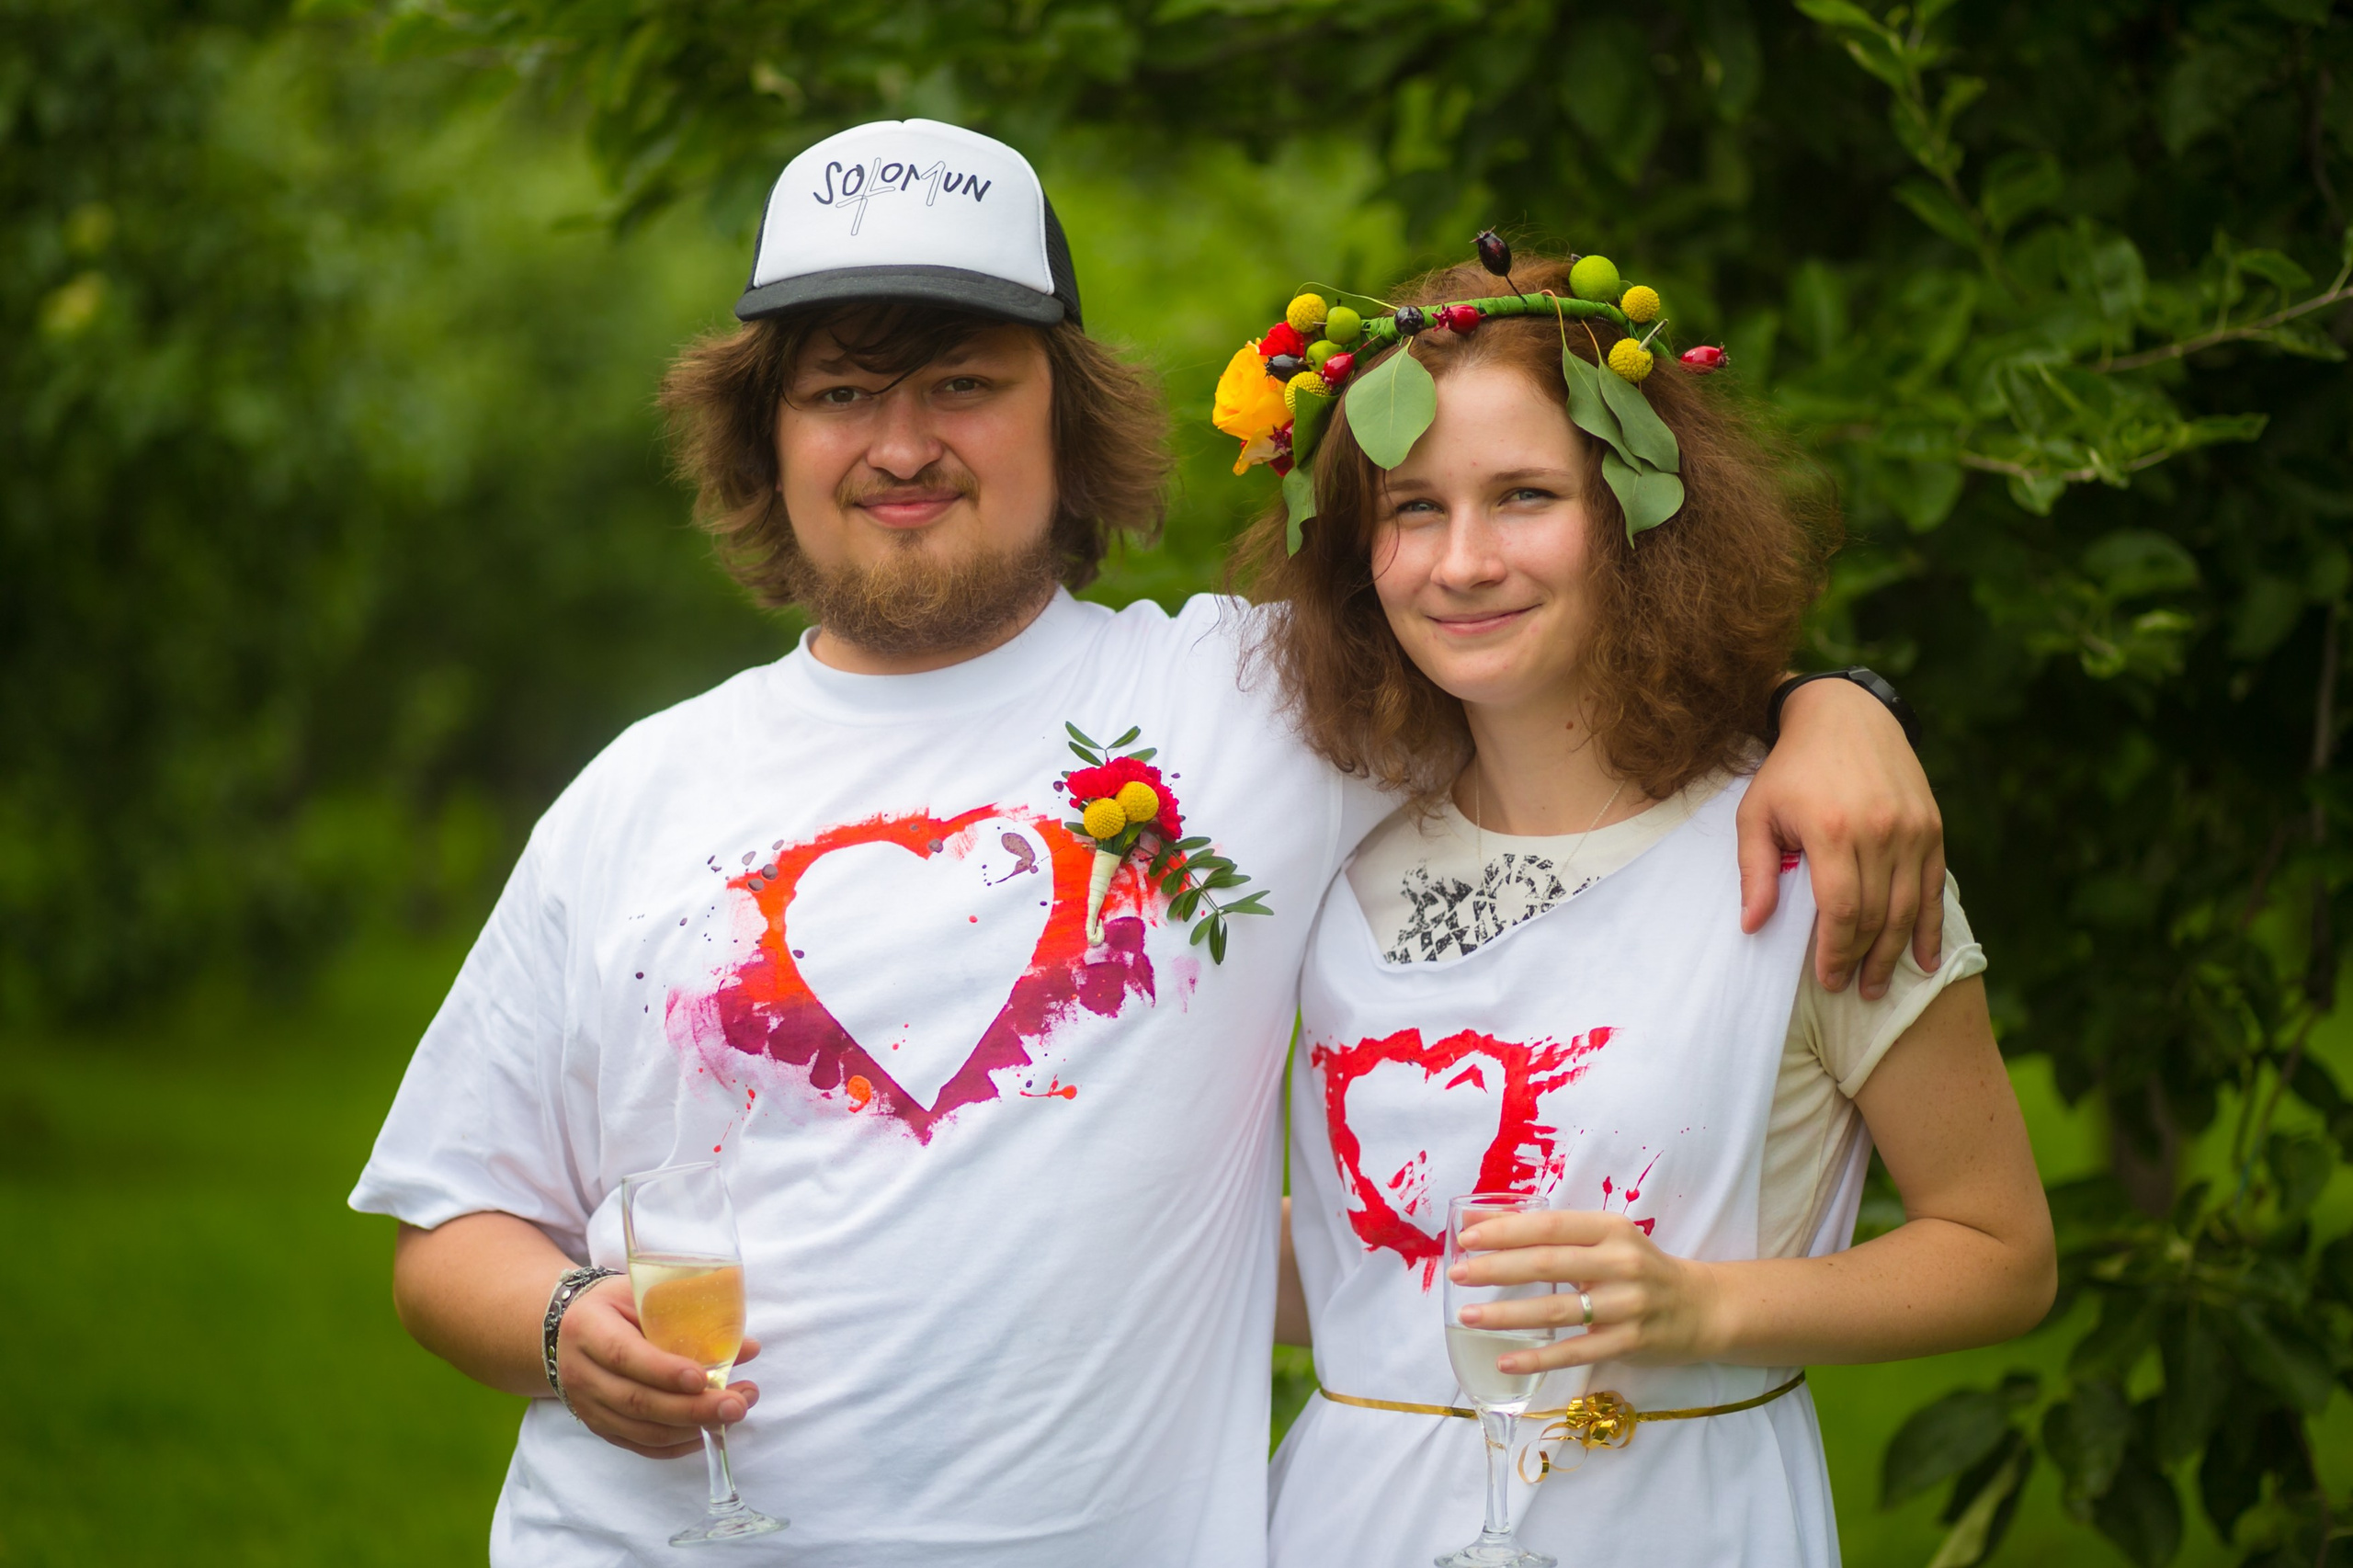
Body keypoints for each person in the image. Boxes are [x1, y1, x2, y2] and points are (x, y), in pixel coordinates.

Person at [349, 120, 1945, 1567]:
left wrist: (1831, 705)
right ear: (765, 439)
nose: (900, 445)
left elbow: (1551, 643)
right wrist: (561, 1324)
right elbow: (451, 1228)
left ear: (1068, 419)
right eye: (839, 393)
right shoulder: (635, 793)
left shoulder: (1262, 703)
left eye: (962, 384)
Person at [1246, 251, 2055, 1567]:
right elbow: (1363, 1268)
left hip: (1680, 1520)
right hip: (1348, 1525)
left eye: (1525, 496)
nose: (1463, 561)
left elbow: (2001, 1251)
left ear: (1636, 514)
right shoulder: (1329, 847)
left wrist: (1706, 1309)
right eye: (1413, 508)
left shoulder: (1813, 853)